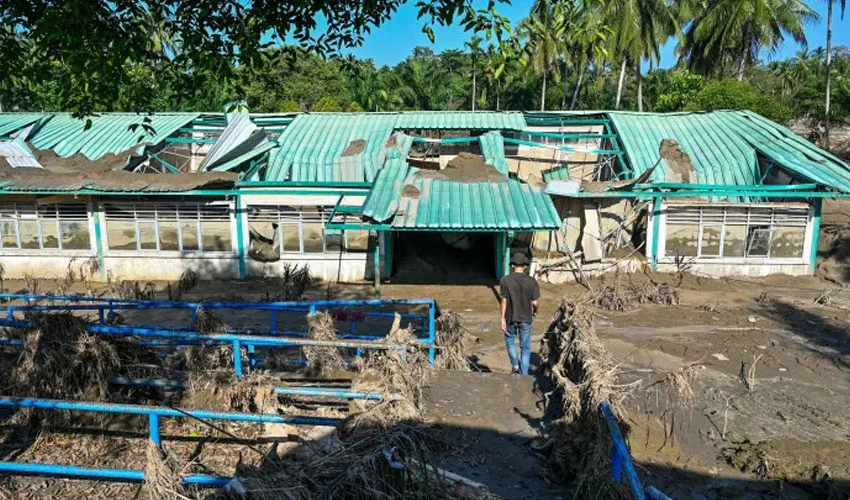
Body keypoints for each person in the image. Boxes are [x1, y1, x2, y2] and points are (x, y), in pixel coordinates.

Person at [499, 252, 540, 375]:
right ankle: (524, 375)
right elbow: (535, 303)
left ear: (512, 265)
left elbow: (504, 301)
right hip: (526, 318)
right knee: (525, 348)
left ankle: (515, 366)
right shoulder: (532, 282)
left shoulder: (505, 280)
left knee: (510, 340)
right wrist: (535, 311)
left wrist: (502, 318)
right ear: (525, 266)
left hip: (510, 317)